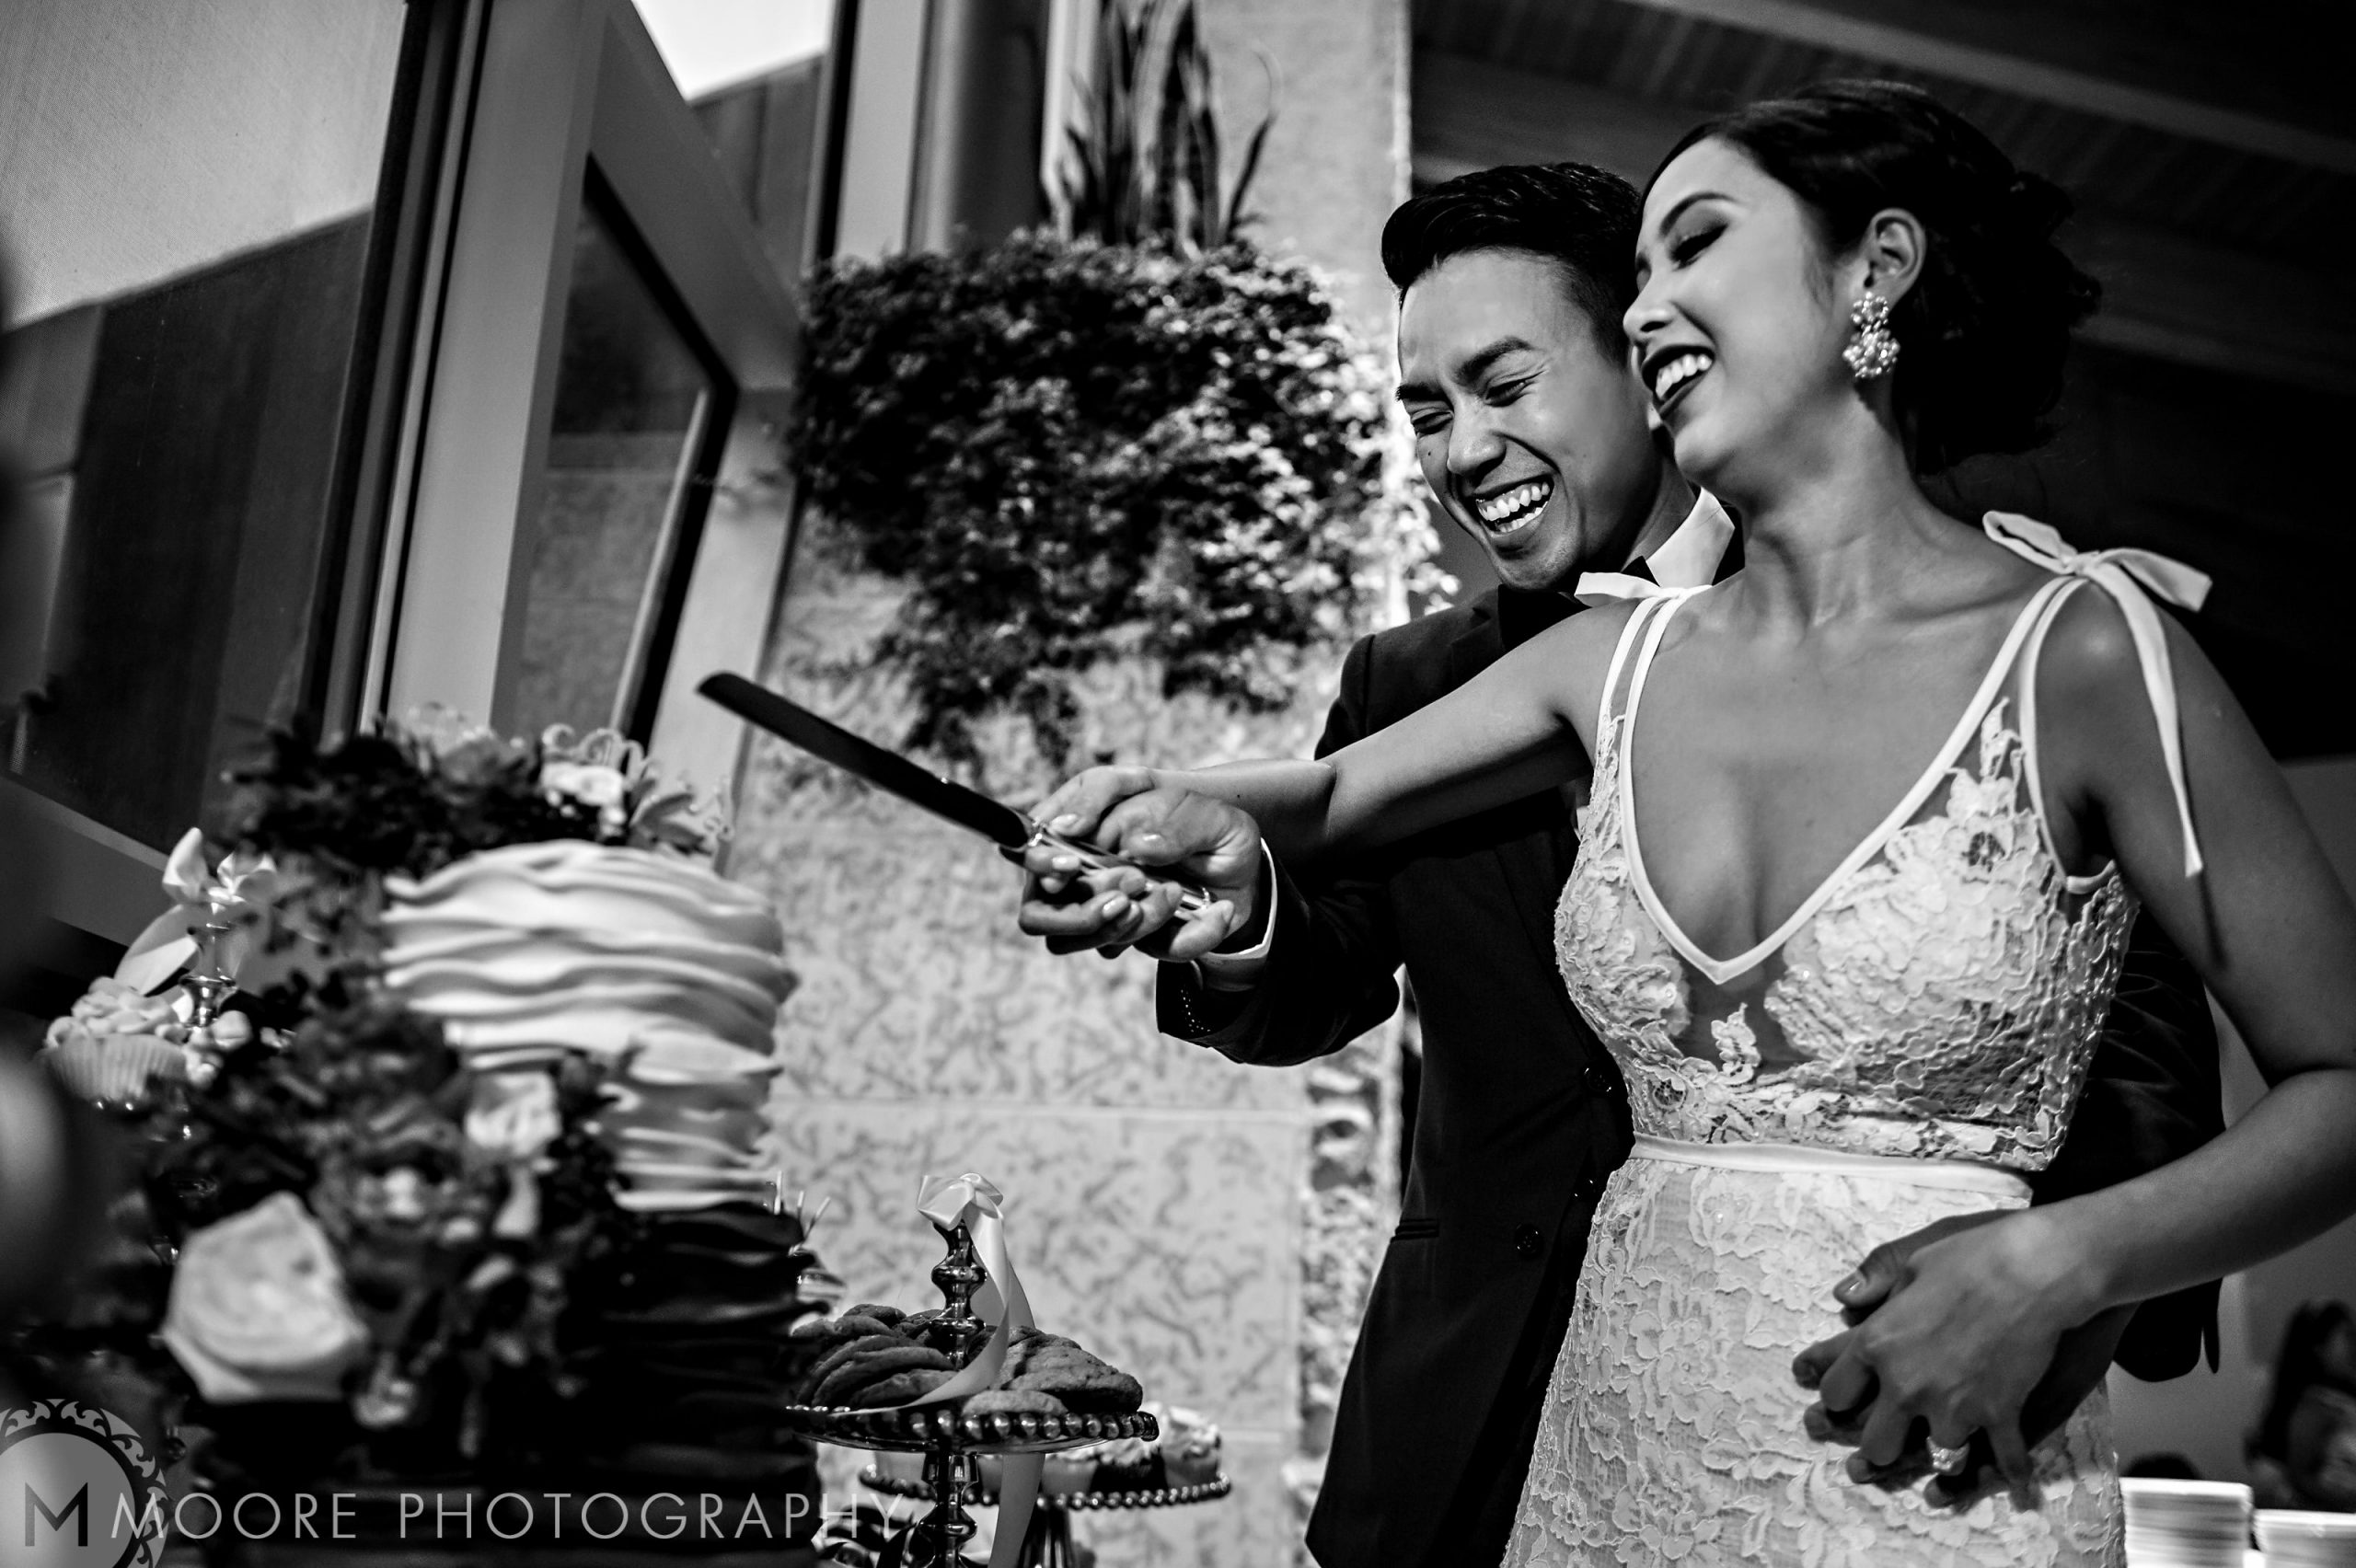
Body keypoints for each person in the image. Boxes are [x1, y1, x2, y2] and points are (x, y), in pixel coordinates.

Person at [1022, 80, 2356, 1563]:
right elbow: (1321, 827)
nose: (1461, 451)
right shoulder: (1512, 676)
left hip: (1921, 1442)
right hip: (1521, 1444)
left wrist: (2067, 1278)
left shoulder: (2069, 643)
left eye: (1506, 383)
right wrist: (1215, 870)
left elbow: (2155, 1040)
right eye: (1424, 412)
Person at [2250, 1301, 2356, 1511]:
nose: (2354, 1346)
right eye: (2348, 1336)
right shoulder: (2313, 1405)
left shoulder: (2340, 1399)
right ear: (2319, 1346)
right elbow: (2299, 1477)